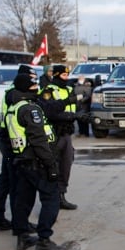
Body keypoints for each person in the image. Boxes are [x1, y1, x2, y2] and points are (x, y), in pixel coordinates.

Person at [5, 73, 67, 250]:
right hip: (37, 162)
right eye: (33, 86)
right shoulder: (30, 109)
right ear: (27, 89)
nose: (37, 88)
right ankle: (44, 240)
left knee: (23, 199)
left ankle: (22, 235)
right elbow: (38, 139)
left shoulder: (13, 107)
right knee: (51, 198)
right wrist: (51, 165)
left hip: (23, 161)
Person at [0, 64, 38, 232]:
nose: (35, 81)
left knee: (6, 180)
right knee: (16, 183)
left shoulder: (11, 90)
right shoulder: (16, 93)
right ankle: (18, 223)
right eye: (32, 77)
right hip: (11, 139)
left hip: (5, 137)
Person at [40, 64, 81, 210]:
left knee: (66, 165)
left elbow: (74, 108)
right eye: (63, 75)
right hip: (54, 134)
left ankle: (61, 196)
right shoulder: (49, 91)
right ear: (56, 75)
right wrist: (73, 115)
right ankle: (51, 201)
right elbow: (49, 112)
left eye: (67, 75)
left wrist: (80, 116)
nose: (66, 78)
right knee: (53, 167)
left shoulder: (69, 90)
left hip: (67, 133)